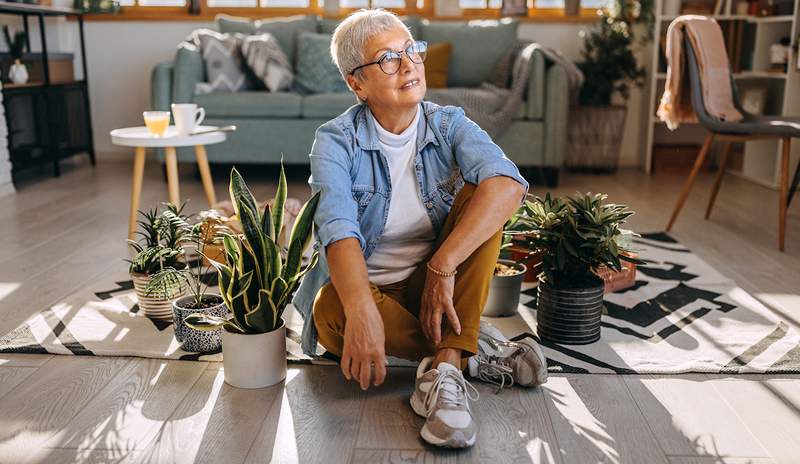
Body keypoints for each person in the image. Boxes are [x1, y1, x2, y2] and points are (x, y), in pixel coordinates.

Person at [291, 9, 548, 448]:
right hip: (371, 294)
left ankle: (445, 371)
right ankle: (468, 352)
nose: (409, 64)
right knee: (332, 309)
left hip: (434, 287)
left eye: (412, 50)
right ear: (357, 83)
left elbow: (508, 186)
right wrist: (363, 311)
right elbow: (338, 230)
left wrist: (442, 265)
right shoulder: (335, 140)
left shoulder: (449, 123)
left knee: (482, 195)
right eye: (388, 58)